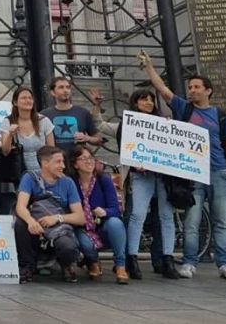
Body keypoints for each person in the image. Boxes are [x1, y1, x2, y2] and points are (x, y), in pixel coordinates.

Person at [139, 51, 226, 281]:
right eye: (190, 87)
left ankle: (225, 264)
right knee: (192, 221)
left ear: (208, 91)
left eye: (197, 87)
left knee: (221, 221)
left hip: (218, 171)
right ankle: (189, 262)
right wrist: (149, 67)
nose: (192, 90)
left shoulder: (220, 115)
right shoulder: (184, 108)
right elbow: (163, 89)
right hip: (193, 173)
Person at [113, 88, 179, 280]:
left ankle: (168, 258)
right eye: (144, 99)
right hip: (141, 175)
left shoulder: (162, 122)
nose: (149, 102)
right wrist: (135, 163)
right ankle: (132, 258)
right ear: (135, 102)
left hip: (163, 176)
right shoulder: (128, 123)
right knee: (137, 215)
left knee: (166, 216)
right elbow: (125, 148)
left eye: (151, 99)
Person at [14, 145, 85, 284]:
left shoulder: (68, 182)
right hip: (36, 227)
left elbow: (80, 217)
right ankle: (27, 266)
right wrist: (30, 221)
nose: (63, 166)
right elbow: (20, 206)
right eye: (58, 162)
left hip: (58, 228)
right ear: (45, 163)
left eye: (63, 161)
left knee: (68, 247)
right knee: (20, 223)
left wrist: (57, 218)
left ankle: (66, 263)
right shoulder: (30, 178)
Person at [69, 146, 128, 284]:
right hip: (82, 226)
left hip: (102, 225)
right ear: (75, 164)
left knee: (115, 223)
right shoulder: (70, 182)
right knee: (84, 242)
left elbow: (116, 209)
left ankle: (120, 266)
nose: (89, 162)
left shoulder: (103, 180)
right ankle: (93, 262)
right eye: (83, 159)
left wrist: (105, 212)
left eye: (91, 158)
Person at [1, 86, 54, 174]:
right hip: (20, 172)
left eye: (30, 98)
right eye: (23, 98)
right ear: (15, 102)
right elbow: (5, 151)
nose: (28, 100)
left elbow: (51, 150)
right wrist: (10, 135)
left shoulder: (44, 121)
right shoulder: (8, 122)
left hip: (43, 172)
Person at [40, 77, 100, 151]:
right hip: (56, 157)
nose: (65, 90)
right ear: (52, 92)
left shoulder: (83, 113)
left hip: (78, 157)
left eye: (68, 87)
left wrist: (87, 138)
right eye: (61, 87)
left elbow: (98, 139)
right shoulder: (44, 115)